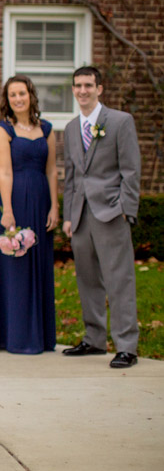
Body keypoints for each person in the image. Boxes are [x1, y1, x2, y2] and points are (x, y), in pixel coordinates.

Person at [62, 66, 141, 368]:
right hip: (81, 215)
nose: (83, 90)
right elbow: (71, 176)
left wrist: (126, 210)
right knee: (88, 280)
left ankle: (126, 346)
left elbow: (131, 170)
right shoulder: (70, 128)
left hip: (111, 212)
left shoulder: (120, 122)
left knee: (119, 279)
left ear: (99, 89)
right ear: (72, 90)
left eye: (88, 85)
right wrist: (69, 215)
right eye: (78, 85)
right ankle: (94, 339)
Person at [0, 75, 58, 354]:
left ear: (31, 95)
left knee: (39, 264)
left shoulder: (47, 129)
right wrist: (8, 210)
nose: (18, 99)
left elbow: (51, 170)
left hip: (40, 200)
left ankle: (41, 336)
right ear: (7, 99)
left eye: (22, 93)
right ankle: (12, 335)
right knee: (15, 265)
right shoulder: (4, 129)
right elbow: (4, 171)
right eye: (12, 95)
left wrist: (55, 206)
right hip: (15, 201)